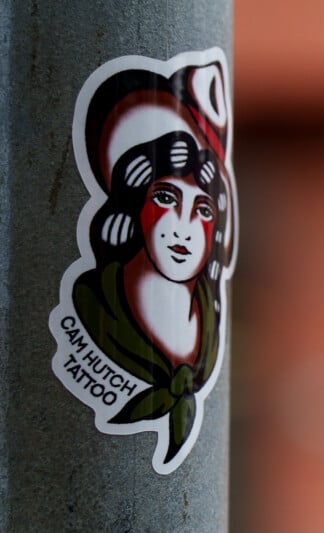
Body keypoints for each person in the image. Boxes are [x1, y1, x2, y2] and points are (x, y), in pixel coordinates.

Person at [73, 128, 229, 463]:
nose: (182, 226)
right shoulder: (92, 300)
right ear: (135, 205)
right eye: (166, 199)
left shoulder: (211, 328)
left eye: (203, 210)